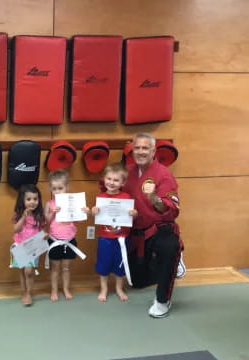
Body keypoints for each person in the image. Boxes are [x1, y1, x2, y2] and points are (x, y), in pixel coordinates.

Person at [122, 133, 182, 318]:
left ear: (154, 151)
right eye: (137, 148)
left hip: (159, 228)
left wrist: (154, 198)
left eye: (145, 148)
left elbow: (173, 210)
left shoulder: (163, 174)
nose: (140, 152)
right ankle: (165, 266)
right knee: (138, 282)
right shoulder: (128, 171)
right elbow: (112, 192)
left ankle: (163, 300)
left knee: (168, 247)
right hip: (137, 232)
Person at [91, 163, 138, 302]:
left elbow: (132, 216)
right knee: (103, 263)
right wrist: (93, 211)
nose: (111, 183)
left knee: (120, 264)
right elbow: (95, 214)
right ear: (104, 179)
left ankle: (119, 288)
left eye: (116, 180)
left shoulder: (126, 197)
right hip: (105, 238)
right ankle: (104, 288)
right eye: (109, 179)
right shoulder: (101, 197)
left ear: (123, 182)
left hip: (122, 238)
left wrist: (134, 213)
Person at [45, 169, 86, 301]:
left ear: (67, 187)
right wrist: (52, 213)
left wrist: (83, 211)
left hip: (69, 240)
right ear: (50, 189)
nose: (57, 191)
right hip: (54, 240)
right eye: (54, 188)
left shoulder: (73, 202)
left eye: (60, 188)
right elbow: (45, 222)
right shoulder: (49, 204)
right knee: (55, 268)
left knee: (66, 268)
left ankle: (66, 289)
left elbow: (79, 220)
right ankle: (54, 290)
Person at [11, 184, 46, 307]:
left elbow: (43, 230)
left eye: (35, 199)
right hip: (20, 245)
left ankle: (30, 293)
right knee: (22, 271)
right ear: (22, 200)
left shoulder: (39, 215)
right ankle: (24, 292)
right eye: (29, 199)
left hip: (33, 247)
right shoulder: (18, 213)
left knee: (29, 271)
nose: (32, 202)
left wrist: (43, 237)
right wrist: (23, 218)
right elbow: (15, 229)